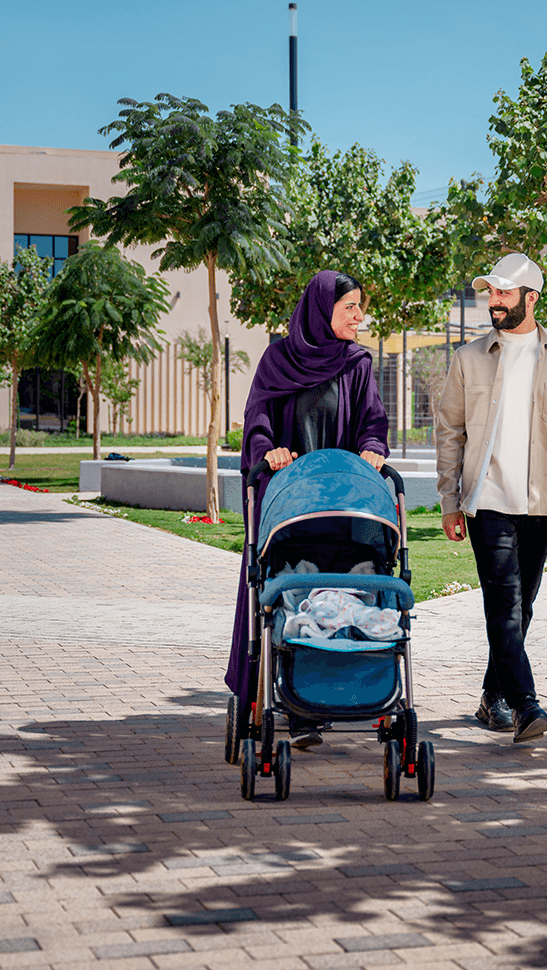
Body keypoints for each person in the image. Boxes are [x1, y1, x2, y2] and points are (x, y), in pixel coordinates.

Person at [224, 270, 389, 749]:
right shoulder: (278, 359)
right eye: (350, 308)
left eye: (360, 307)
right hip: (290, 508)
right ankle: (294, 706)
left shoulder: (357, 363)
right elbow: (257, 421)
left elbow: (372, 421)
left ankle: (343, 692)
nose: (360, 317)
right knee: (289, 591)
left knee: (345, 586)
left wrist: (374, 447)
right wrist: (268, 450)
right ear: (322, 310)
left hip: (344, 506)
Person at [435, 253, 547, 743]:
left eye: (504, 293)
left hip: (543, 501)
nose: (493, 301)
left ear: (532, 297)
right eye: (490, 292)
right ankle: (526, 704)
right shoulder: (468, 359)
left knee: (521, 608)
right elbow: (449, 433)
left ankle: (491, 698)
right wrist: (449, 500)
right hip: (488, 502)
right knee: (504, 604)